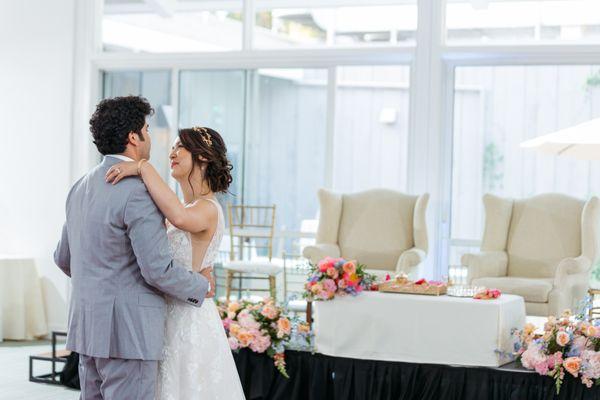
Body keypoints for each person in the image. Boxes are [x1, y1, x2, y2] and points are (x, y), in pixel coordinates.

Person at [54, 96, 214, 400]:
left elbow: (63, 258)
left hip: (87, 329)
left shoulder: (80, 186)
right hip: (129, 334)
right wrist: (201, 285)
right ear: (133, 137)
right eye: (147, 129)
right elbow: (157, 270)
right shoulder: (139, 191)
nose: (150, 137)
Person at [106, 125, 245, 399]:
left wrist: (143, 167)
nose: (172, 152)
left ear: (203, 157)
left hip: (189, 320)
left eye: (181, 146)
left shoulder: (207, 207)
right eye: (173, 146)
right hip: (163, 315)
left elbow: (180, 218)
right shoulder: (185, 207)